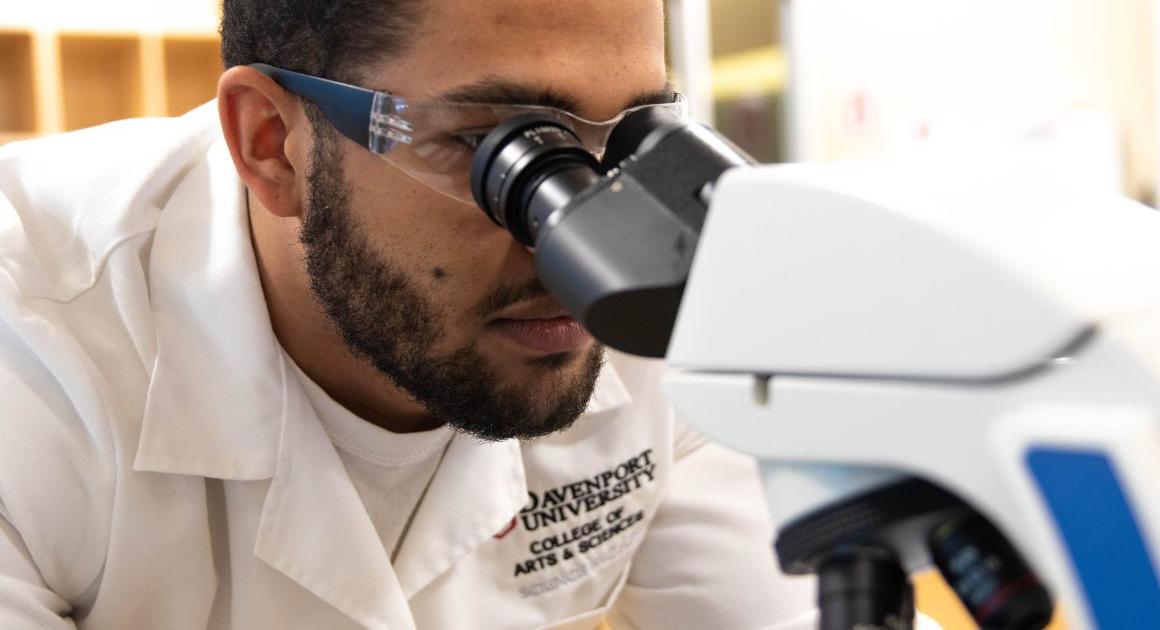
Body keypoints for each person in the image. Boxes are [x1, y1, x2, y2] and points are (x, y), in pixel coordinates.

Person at [0, 0, 819, 628]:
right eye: (498, 144)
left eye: (632, 138)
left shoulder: (651, 289)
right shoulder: (32, 355)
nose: (589, 235)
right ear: (270, 143)